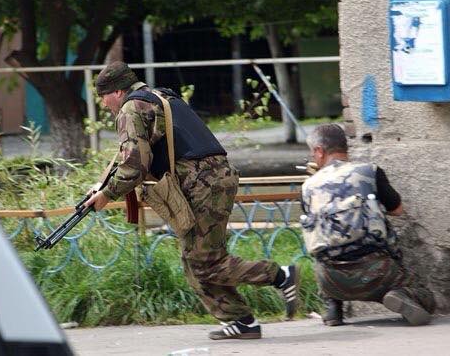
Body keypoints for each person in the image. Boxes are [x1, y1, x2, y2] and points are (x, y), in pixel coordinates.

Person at [84, 61, 299, 340]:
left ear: (116, 92)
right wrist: (102, 186)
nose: (103, 104)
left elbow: (135, 165)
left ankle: (279, 276)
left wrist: (106, 195)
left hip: (203, 185)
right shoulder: (161, 96)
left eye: (103, 97)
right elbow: (135, 158)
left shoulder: (130, 109)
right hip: (211, 180)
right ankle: (242, 321)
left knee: (205, 262)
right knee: (194, 260)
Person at [300, 124, 435, 326]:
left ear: (319, 151)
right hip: (379, 273)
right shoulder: (369, 171)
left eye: (313, 153)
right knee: (427, 298)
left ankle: (333, 309)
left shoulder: (308, 186)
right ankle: (399, 294)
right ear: (346, 148)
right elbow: (397, 210)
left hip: (331, 279)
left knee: (325, 243)